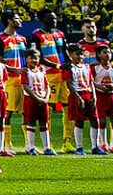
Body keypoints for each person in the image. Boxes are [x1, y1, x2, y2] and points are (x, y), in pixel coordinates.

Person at [32, 10, 71, 152]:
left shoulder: (60, 34)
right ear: (43, 19)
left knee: (68, 107)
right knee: (49, 110)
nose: (54, 20)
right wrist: (57, 65)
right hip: (49, 76)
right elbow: (39, 57)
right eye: (51, 18)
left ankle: (67, 141)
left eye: (55, 18)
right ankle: (48, 143)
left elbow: (65, 52)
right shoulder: (37, 35)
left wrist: (70, 64)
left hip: (63, 76)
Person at [0, 9, 29, 153]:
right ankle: (7, 143)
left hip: (23, 80)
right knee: (7, 113)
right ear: (9, 21)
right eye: (17, 18)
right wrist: (15, 70)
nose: (20, 20)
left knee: (26, 113)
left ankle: (29, 144)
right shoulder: (0, 39)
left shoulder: (22, 39)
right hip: (9, 80)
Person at [65, 46, 98, 155]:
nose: (80, 56)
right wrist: (78, 98)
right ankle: (79, 147)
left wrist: (94, 96)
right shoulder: (70, 68)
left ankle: (95, 146)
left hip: (88, 94)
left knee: (95, 119)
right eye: (77, 54)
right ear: (71, 55)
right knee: (79, 121)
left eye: (81, 54)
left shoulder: (87, 67)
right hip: (77, 95)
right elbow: (69, 84)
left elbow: (91, 82)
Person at [21, 55, 57, 155]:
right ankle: (31, 147)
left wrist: (46, 98)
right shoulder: (25, 71)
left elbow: (47, 86)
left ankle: (47, 148)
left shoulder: (41, 70)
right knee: (31, 123)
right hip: (31, 100)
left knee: (44, 123)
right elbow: (25, 86)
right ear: (27, 59)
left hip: (43, 100)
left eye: (36, 58)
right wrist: (37, 98)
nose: (34, 60)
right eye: (31, 58)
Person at [92, 45, 113, 155]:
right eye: (105, 52)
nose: (107, 54)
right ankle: (103, 144)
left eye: (109, 52)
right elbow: (91, 81)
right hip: (100, 96)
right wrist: (99, 87)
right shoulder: (95, 68)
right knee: (101, 120)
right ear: (99, 54)